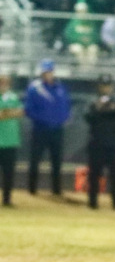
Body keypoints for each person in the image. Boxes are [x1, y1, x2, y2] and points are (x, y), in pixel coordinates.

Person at [24, 59, 71, 195]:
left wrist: (63, 119)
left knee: (56, 160)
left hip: (57, 129)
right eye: (45, 72)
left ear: (53, 72)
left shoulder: (61, 88)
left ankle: (56, 189)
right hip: (40, 129)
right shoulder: (34, 88)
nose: (47, 74)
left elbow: (65, 106)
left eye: (49, 71)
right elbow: (29, 109)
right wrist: (43, 119)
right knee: (35, 159)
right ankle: (32, 188)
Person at [84, 74, 115, 210]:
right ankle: (92, 202)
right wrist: (104, 110)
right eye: (103, 86)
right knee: (94, 174)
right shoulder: (92, 102)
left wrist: (105, 110)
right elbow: (88, 117)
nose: (106, 88)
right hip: (97, 143)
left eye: (108, 86)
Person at [0, 74, 24, 206]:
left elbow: (21, 112)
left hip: (10, 141)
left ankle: (7, 199)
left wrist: (5, 113)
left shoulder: (13, 97)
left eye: (5, 83)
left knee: (8, 173)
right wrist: (11, 112)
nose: (3, 85)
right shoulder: (12, 99)